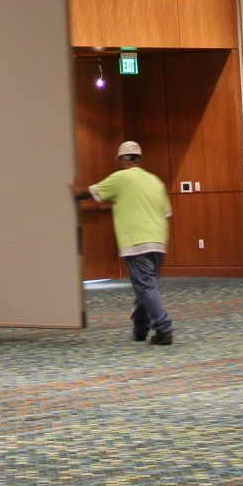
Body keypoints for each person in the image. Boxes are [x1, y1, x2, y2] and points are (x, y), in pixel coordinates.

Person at [72, 140, 175, 345]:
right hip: (158, 240)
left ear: (121, 159)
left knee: (145, 287)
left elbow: (90, 193)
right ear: (139, 159)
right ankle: (140, 327)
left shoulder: (120, 178)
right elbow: (167, 213)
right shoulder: (155, 181)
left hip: (136, 242)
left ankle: (164, 329)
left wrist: (75, 191)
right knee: (144, 286)